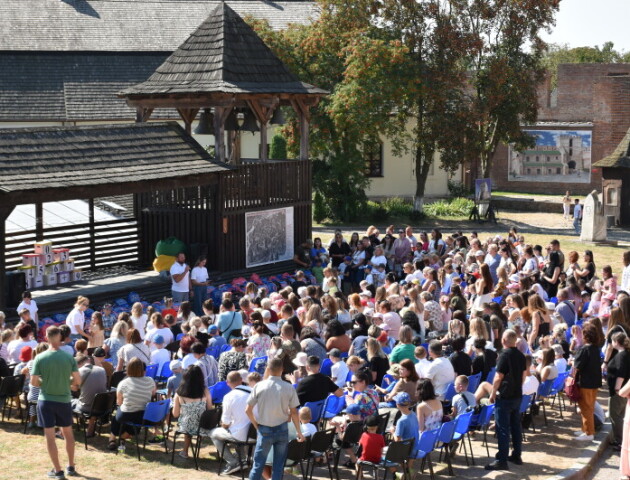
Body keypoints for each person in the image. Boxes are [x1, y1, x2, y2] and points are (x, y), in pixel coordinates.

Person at [30, 326, 81, 479]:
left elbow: (33, 382)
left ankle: (58, 470)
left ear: (46, 337)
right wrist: (67, 382)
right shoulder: (68, 358)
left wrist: (47, 382)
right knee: (68, 434)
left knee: (50, 436)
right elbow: (77, 381)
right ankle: (71, 466)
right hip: (64, 401)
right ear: (60, 338)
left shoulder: (40, 357)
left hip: (46, 401)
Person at [245, 357, 304, 480]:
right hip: (282, 429)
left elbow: (248, 410)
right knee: (278, 465)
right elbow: (294, 412)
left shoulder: (259, 386)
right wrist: (299, 432)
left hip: (264, 429)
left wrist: (256, 425)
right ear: (282, 370)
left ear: (268, 368)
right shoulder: (289, 387)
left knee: (258, 464)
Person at [485, 329, 526, 471]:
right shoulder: (521, 356)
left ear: (503, 340)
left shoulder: (504, 355)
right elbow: (523, 375)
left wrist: (492, 393)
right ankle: (516, 454)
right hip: (517, 395)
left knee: (502, 428)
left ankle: (501, 459)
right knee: (515, 426)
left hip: (505, 396)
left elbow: (498, 377)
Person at [108, 357, 156, 450]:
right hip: (144, 415)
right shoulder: (150, 380)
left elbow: (119, 402)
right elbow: (153, 394)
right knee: (130, 420)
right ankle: (122, 437)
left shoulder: (123, 383)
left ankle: (112, 440)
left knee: (117, 416)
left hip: (127, 414)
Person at [210, 370, 252, 474]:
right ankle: (242, 460)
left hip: (240, 435)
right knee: (236, 429)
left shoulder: (229, 397)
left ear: (227, 383)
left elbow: (225, 423)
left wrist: (224, 425)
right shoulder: (254, 392)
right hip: (255, 434)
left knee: (213, 433)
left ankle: (233, 462)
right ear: (242, 380)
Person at [172, 364, 213, 459]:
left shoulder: (179, 392)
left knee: (187, 423)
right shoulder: (205, 391)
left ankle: (185, 451)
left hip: (186, 426)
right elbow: (210, 409)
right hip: (203, 426)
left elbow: (175, 414)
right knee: (193, 421)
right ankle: (198, 440)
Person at [573, 323, 603, 442]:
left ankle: (589, 433)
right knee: (588, 407)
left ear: (586, 336)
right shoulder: (596, 349)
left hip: (585, 382)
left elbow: (578, 366)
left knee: (586, 408)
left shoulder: (584, 349)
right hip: (594, 382)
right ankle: (585, 429)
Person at [71, 353, 108, 437]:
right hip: (102, 407)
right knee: (91, 399)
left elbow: (74, 389)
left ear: (79, 364)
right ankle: (90, 429)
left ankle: (65, 429)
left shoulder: (79, 371)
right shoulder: (102, 370)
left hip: (86, 408)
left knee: (66, 401)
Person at [607, 331, 630, 449]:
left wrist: (617, 388)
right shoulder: (624, 353)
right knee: (620, 415)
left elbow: (621, 373)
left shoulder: (622, 355)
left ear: (616, 342)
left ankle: (620, 442)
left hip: (618, 391)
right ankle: (621, 441)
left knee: (615, 415)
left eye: (612, 341)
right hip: (622, 390)